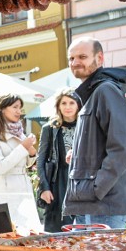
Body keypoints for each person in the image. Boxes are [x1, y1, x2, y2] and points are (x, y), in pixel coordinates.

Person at [62, 37, 126, 229]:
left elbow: (122, 146)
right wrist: (78, 156)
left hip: (105, 204)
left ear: (100, 58)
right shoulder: (91, 93)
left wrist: (98, 187)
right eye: (71, 58)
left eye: (82, 56)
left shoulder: (105, 90)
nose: (75, 62)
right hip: (92, 201)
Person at [0, 94, 42, 233]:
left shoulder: (20, 133)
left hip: (23, 187)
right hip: (4, 188)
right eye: (15, 107)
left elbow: (25, 164)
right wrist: (23, 147)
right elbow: (0, 167)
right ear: (2, 109)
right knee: (4, 232)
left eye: (20, 108)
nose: (18, 111)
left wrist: (32, 153)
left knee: (29, 232)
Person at [36, 88, 82, 232]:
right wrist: (44, 188)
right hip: (58, 182)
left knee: (82, 228)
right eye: (64, 103)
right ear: (58, 106)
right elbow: (41, 159)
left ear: (78, 105)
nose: (67, 107)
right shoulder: (50, 128)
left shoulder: (86, 125)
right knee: (57, 229)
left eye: (71, 103)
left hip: (82, 181)